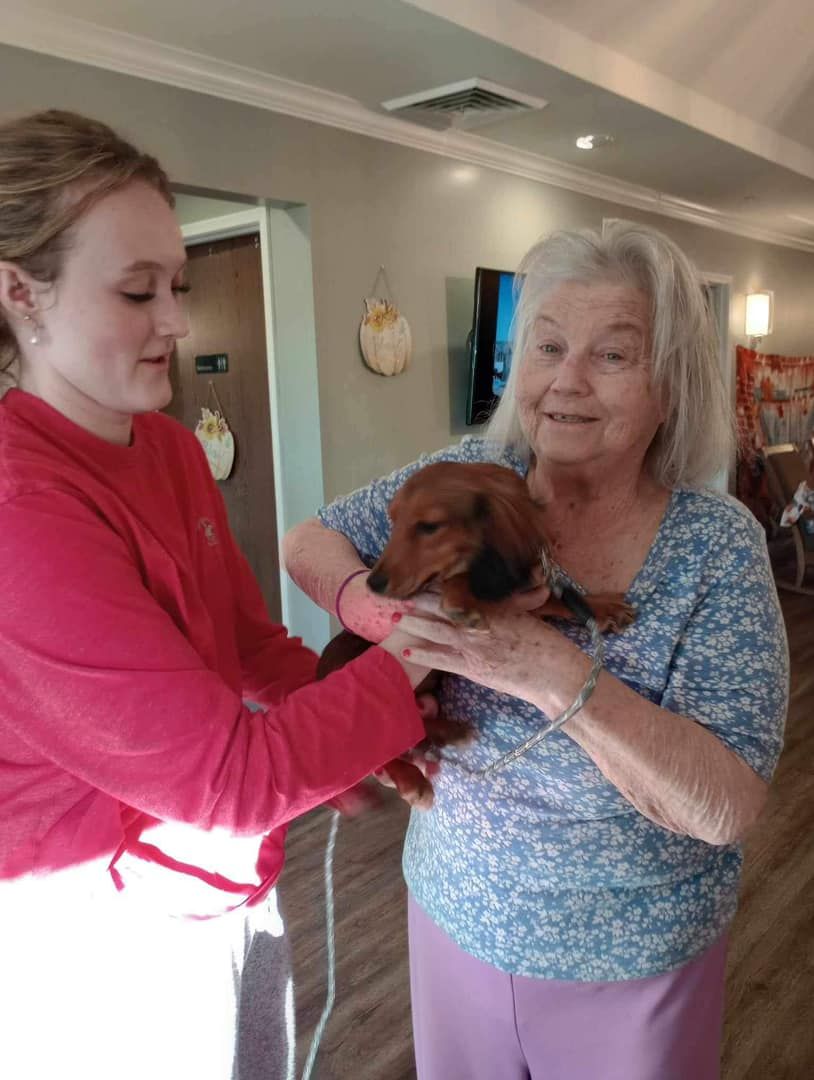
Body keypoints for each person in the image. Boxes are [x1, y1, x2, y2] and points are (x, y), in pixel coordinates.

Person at [284, 221, 789, 1080]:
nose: (566, 381)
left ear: (670, 388)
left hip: (632, 963)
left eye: (613, 355)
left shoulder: (717, 547)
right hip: (453, 918)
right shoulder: (473, 475)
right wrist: (377, 619)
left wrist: (552, 671)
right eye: (547, 346)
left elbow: (727, 807)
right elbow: (310, 539)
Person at [0, 110, 431, 1080]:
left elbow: (244, 643)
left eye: (179, 283)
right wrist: (407, 672)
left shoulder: (166, 447)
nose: (178, 320)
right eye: (135, 290)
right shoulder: (23, 511)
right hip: (97, 948)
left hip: (218, 889)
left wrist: (344, 723)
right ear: (21, 292)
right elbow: (228, 781)